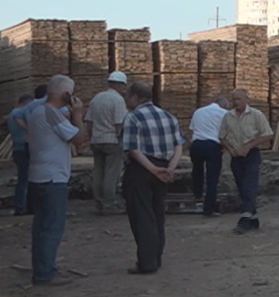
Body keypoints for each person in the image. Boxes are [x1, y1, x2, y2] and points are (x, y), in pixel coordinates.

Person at [26, 75, 88, 286]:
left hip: (38, 176)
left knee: (41, 227)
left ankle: (42, 268)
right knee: (52, 227)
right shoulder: (51, 114)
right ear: (66, 94)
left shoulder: (37, 111)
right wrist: (78, 115)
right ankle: (45, 273)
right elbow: (79, 139)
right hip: (53, 178)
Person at [120, 81, 183, 274]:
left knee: (142, 215)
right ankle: (156, 257)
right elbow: (179, 145)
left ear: (135, 97)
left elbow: (132, 149)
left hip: (142, 169)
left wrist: (152, 168)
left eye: (127, 96)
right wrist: (170, 168)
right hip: (163, 167)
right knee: (157, 215)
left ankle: (147, 262)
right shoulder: (168, 116)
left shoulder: (133, 117)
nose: (125, 99)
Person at [220, 88, 273, 234]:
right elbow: (222, 136)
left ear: (245, 99)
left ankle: (244, 218)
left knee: (250, 185)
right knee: (242, 187)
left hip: (251, 155)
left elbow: (268, 134)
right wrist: (230, 149)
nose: (235, 102)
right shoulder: (228, 117)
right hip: (236, 156)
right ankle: (253, 217)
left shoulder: (256, 115)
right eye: (233, 99)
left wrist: (249, 146)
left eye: (238, 99)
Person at [84, 71, 129, 214]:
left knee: (98, 172)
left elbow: (89, 121)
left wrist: (92, 137)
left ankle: (98, 203)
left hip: (97, 140)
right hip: (112, 141)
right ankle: (109, 204)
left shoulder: (97, 98)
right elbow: (119, 124)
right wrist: (124, 143)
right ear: (121, 85)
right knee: (111, 173)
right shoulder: (118, 100)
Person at [6, 85, 45, 215]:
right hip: (22, 148)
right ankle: (22, 206)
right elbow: (28, 127)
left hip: (18, 148)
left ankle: (24, 205)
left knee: (25, 178)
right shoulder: (17, 113)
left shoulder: (13, 114)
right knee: (25, 179)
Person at [188, 96, 229, 217]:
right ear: (223, 105)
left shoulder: (198, 111)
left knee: (197, 171)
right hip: (212, 145)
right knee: (212, 178)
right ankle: (208, 209)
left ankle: (197, 196)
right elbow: (226, 133)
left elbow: (192, 129)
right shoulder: (224, 113)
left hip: (196, 145)